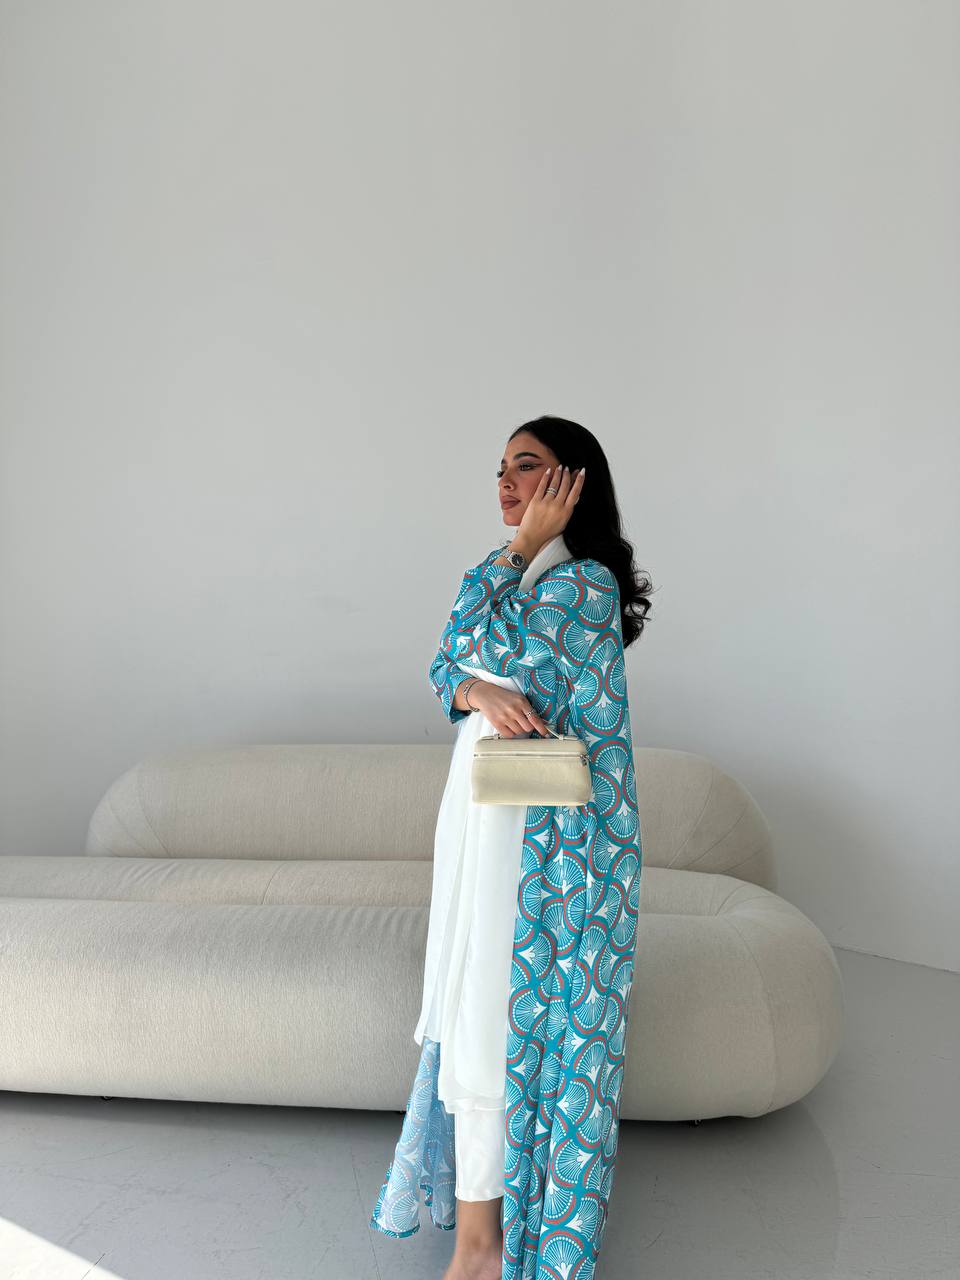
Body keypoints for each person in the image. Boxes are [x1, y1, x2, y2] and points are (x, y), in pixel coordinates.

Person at [370, 416, 653, 1280]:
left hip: (542, 845)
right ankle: (477, 1240)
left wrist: (476, 665)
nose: (504, 483)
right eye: (499, 468)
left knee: (497, 1017)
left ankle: (482, 1248)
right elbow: (444, 665)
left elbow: (474, 644)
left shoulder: (583, 584)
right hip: (489, 823)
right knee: (474, 1009)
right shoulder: (525, 576)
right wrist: (473, 690)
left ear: (572, 483)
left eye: (525, 467)